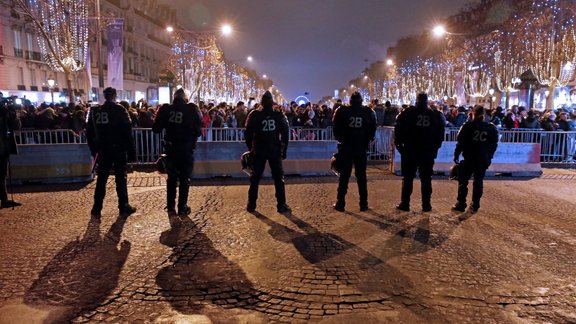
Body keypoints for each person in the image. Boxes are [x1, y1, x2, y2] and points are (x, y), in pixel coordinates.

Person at [87, 87, 137, 218]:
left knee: (101, 179)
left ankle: (97, 207)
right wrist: (132, 151)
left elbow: (89, 133)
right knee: (120, 178)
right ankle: (123, 205)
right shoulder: (120, 110)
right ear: (115, 95)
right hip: (118, 148)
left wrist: (94, 150)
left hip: (103, 149)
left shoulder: (95, 111)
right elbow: (128, 132)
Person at [152, 88, 203, 216]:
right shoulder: (192, 109)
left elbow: (156, 128)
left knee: (171, 178)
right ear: (185, 98)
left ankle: (170, 206)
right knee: (185, 178)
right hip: (185, 149)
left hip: (170, 149)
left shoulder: (166, 109)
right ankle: (182, 206)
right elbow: (199, 131)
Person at [394, 93, 445, 212]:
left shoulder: (408, 112)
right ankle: (426, 204)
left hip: (410, 150)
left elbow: (398, 129)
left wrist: (400, 146)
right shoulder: (434, 115)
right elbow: (440, 134)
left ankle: (405, 203)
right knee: (426, 179)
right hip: (426, 151)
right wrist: (435, 149)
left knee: (408, 178)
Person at [244, 91, 290, 213]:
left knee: (255, 178)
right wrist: (284, 149)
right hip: (274, 149)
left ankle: (251, 204)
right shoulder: (279, 115)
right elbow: (285, 133)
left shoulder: (254, 115)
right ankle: (281, 204)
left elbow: (247, 133)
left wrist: (250, 148)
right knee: (278, 178)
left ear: (262, 103)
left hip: (259, 149)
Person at [332, 92, 377, 212]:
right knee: (361, 176)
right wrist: (366, 140)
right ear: (361, 101)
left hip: (347, 146)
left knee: (344, 176)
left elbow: (335, 128)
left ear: (350, 101)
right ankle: (364, 204)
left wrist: (341, 140)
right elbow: (373, 129)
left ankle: (340, 202)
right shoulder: (368, 112)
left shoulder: (342, 111)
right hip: (361, 147)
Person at [452, 105, 499, 213]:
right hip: (482, 159)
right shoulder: (491, 128)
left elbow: (460, 142)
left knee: (463, 181)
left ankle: (461, 203)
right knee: (478, 182)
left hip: (469, 157)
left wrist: (456, 155)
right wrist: (489, 157)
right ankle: (475, 204)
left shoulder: (467, 126)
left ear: (473, 114)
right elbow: (494, 145)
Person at [0, 98, 22, 209]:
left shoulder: (5, 112)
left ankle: (4, 199)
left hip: (4, 146)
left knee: (2, 174)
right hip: (2, 146)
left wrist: (13, 115)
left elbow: (16, 126)